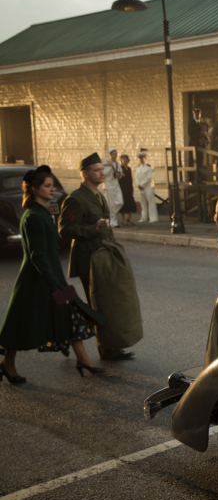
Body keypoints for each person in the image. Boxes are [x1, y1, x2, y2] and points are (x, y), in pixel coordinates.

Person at [0, 166, 104, 383]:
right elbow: (38, 255)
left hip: (50, 277)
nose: (52, 189)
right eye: (47, 186)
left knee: (69, 314)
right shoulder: (33, 216)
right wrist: (53, 282)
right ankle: (8, 364)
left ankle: (83, 359)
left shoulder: (42, 212)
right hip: (35, 281)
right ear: (35, 188)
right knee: (22, 324)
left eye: (52, 185)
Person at [59, 153, 134, 361]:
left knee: (107, 302)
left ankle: (110, 347)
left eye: (103, 169)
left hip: (103, 257)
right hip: (88, 259)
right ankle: (95, 345)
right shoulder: (76, 198)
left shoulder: (98, 194)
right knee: (95, 305)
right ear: (85, 173)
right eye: (97, 170)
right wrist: (95, 228)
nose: (102, 173)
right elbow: (65, 230)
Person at [103, 147, 124, 228]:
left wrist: (119, 175)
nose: (116, 155)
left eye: (116, 154)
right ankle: (112, 222)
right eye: (114, 154)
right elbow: (103, 174)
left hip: (116, 186)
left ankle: (109, 216)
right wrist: (111, 167)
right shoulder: (106, 163)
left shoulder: (117, 163)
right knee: (110, 205)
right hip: (109, 186)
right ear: (110, 155)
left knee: (120, 202)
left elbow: (120, 174)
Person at [135, 152, 158, 223]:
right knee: (143, 203)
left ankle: (153, 218)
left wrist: (141, 185)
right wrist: (138, 184)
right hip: (141, 188)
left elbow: (149, 178)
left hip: (148, 187)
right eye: (139, 158)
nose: (141, 160)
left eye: (142, 158)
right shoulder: (138, 168)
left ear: (145, 158)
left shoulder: (149, 168)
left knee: (151, 203)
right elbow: (136, 177)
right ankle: (144, 217)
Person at [118, 154, 137, 226]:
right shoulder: (120, 168)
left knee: (130, 203)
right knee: (123, 204)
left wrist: (132, 188)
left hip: (128, 188)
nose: (124, 161)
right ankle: (123, 220)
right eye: (123, 159)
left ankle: (130, 219)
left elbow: (130, 179)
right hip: (122, 188)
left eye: (125, 159)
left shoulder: (129, 169)